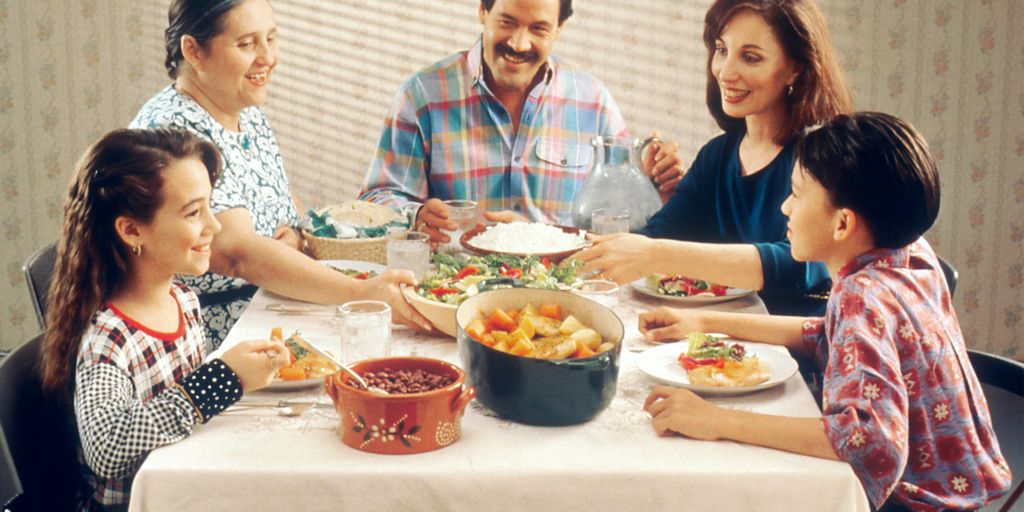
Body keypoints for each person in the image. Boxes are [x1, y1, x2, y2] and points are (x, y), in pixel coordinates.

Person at [641, 113, 1012, 511]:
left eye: (797, 194)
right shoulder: (910, 253)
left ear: (843, 224)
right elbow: (830, 333)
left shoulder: (863, 296)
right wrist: (705, 320)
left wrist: (713, 420)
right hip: (963, 493)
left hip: (913, 503)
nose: (785, 207)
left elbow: (869, 443)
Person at [130, 0, 430, 348]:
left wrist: (299, 238)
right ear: (194, 51)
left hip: (270, 308)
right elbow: (236, 253)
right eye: (246, 44)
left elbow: (283, 206)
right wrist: (359, 293)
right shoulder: (174, 133)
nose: (268, 57)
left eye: (271, 39)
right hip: (211, 338)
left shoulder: (243, 110)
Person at [40, 128, 290, 511]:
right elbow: (106, 447)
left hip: (188, 488)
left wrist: (241, 374)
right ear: (131, 229)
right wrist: (221, 380)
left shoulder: (182, 300)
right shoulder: (110, 336)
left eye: (210, 206)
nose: (215, 225)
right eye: (193, 213)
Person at [575, 0, 853, 316]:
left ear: (796, 69)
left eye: (750, 58)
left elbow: (797, 264)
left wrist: (655, 253)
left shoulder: (822, 161)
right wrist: (544, 243)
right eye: (722, 50)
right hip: (719, 342)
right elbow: (657, 237)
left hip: (799, 349)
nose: (725, 71)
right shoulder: (718, 155)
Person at [359, 0, 686, 247]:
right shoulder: (422, 96)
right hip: (454, 291)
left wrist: (654, 184)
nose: (518, 43)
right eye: (507, 22)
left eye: (538, 29)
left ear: (559, 29)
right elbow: (378, 199)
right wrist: (415, 217)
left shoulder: (593, 101)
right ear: (483, 13)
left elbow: (621, 220)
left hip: (564, 294)